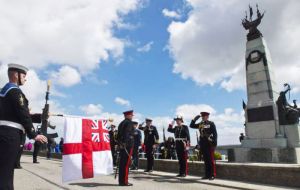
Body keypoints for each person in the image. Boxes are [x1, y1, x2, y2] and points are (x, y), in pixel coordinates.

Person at [0, 63, 47, 189]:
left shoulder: (3, 92)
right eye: (24, 75)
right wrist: (34, 134)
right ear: (16, 75)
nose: (25, 79)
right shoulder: (16, 92)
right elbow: (23, 114)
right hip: (10, 136)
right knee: (6, 175)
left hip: (3, 133)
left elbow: (15, 114)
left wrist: (40, 117)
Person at [190, 112, 217, 180]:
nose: (202, 117)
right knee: (206, 160)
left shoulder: (211, 123)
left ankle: (212, 175)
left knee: (211, 160)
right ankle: (207, 175)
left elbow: (215, 133)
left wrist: (214, 143)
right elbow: (191, 126)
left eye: (204, 116)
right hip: (203, 143)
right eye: (202, 116)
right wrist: (194, 119)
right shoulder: (200, 124)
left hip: (209, 143)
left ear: (207, 116)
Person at [117, 110, 135, 186]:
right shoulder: (129, 123)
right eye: (131, 115)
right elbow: (127, 134)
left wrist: (120, 144)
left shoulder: (121, 123)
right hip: (127, 146)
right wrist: (125, 143)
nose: (132, 117)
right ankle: (124, 181)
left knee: (122, 164)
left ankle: (121, 181)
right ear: (128, 116)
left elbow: (118, 136)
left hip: (122, 146)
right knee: (126, 164)